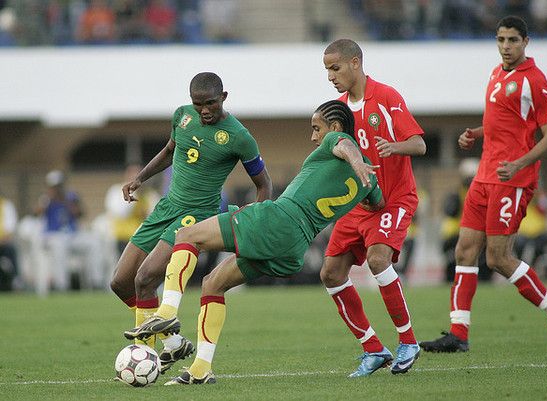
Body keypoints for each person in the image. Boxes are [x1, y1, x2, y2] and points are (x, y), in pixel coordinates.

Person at [124, 100, 385, 385]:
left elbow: (344, 146)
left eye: (316, 128)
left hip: (278, 219)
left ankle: (167, 313)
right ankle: (200, 369)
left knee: (186, 235)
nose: (313, 137)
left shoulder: (338, 139)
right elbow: (378, 204)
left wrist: (356, 158)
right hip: (295, 247)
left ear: (334, 127)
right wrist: (362, 172)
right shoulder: (368, 181)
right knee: (213, 283)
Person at [420, 16, 547, 354]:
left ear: (526, 42)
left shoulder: (534, 81)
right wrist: (475, 134)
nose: (505, 46)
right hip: (484, 175)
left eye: (512, 40)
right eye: (501, 40)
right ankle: (458, 333)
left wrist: (519, 163)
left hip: (513, 180)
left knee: (497, 258)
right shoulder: (497, 73)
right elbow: (503, 124)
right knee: (464, 250)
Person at [110, 72, 273, 374]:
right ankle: (172, 342)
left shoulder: (239, 136)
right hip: (166, 207)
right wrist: (140, 178)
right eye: (198, 105)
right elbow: (170, 152)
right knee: (120, 282)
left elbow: (264, 184)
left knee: (145, 278)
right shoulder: (182, 117)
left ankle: (146, 359)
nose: (205, 111)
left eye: (210, 103)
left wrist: (256, 220)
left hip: (196, 214)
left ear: (224, 97)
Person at [321, 39, 426, 377]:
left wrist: (394, 146)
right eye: (326, 70)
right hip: (357, 206)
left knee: (378, 260)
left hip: (394, 198)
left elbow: (420, 144)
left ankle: (408, 342)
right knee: (330, 273)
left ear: (355, 63)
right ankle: (373, 349)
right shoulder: (336, 111)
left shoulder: (387, 97)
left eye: (335, 68)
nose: (330, 76)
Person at [35, 170, 103, 292]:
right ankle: (62, 285)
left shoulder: (71, 197)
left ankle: (96, 281)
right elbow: (36, 214)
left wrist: (66, 201)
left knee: (94, 243)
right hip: (53, 236)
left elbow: (81, 214)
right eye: (55, 186)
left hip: (72, 235)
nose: (57, 189)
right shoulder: (45, 199)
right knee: (59, 245)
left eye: (59, 186)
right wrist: (48, 200)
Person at [440, 158, 492, 283]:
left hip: (478, 232)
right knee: (455, 256)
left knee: (488, 252)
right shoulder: (456, 194)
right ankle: (451, 278)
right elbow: (449, 211)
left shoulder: (484, 193)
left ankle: (484, 278)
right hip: (455, 233)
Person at [0, 193, 19, 291]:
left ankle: (16, 280)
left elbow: (10, 228)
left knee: (11, 249)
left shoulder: (6, 206)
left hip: (4, 243)